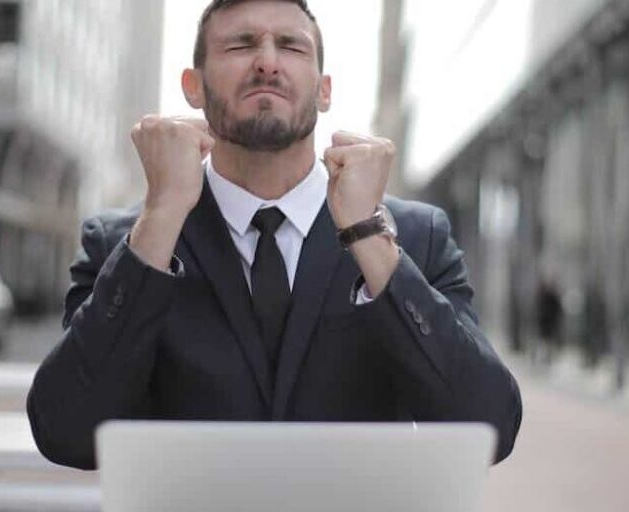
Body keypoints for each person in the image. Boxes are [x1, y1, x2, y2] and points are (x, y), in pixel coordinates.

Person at [27, 0, 522, 470]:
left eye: (290, 46)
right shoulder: (126, 243)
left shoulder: (414, 237)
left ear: (324, 89)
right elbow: (65, 430)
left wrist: (367, 233)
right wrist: (162, 214)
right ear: (193, 86)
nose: (267, 62)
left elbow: (489, 428)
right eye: (240, 45)